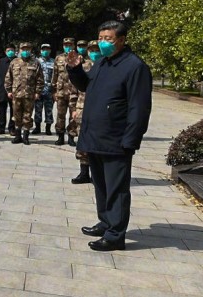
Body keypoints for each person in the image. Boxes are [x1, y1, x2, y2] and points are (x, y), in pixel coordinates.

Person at [67, 21, 152, 251]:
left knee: (117, 189)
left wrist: (131, 140)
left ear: (122, 40)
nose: (103, 42)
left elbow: (140, 107)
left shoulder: (135, 67)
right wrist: (75, 69)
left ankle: (115, 235)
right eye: (101, 37)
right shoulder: (102, 63)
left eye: (108, 39)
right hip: (95, 136)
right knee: (101, 185)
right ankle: (105, 222)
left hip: (116, 139)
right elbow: (86, 86)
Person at [70, 40, 99, 185]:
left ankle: (96, 173)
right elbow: (74, 89)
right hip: (82, 108)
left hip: (99, 110)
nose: (94, 52)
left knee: (97, 142)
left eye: (96, 49)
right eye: (91, 50)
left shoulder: (105, 66)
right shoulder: (82, 66)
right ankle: (83, 172)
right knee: (83, 141)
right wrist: (73, 109)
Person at [4, 42, 42, 145]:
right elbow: (8, 78)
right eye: (23, 49)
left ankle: (25, 136)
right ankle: (17, 135)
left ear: (30, 50)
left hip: (29, 94)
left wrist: (38, 92)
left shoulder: (35, 63)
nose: (25, 51)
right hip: (16, 94)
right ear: (20, 50)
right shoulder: (14, 62)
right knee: (16, 115)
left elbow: (40, 79)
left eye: (27, 49)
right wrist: (8, 91)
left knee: (27, 115)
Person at [52, 36, 78, 147]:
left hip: (74, 92)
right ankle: (60, 136)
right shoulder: (58, 58)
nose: (68, 47)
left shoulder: (78, 57)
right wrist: (53, 90)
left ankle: (71, 136)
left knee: (73, 116)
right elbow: (55, 75)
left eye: (70, 45)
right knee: (60, 115)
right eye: (65, 45)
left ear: (73, 46)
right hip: (61, 92)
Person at [33, 43, 54, 135]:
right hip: (38, 90)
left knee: (49, 110)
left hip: (49, 90)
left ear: (50, 50)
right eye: (44, 49)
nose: (45, 51)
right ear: (41, 50)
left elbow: (55, 76)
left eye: (47, 49)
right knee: (38, 109)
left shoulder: (54, 62)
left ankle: (48, 128)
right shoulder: (36, 62)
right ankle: (37, 127)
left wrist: (54, 90)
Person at [0, 45, 15, 135]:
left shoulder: (18, 61)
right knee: (2, 109)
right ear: (5, 51)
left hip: (15, 90)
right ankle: (1, 128)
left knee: (13, 110)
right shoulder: (1, 62)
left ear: (15, 51)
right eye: (8, 50)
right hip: (2, 89)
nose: (10, 51)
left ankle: (12, 128)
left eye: (12, 50)